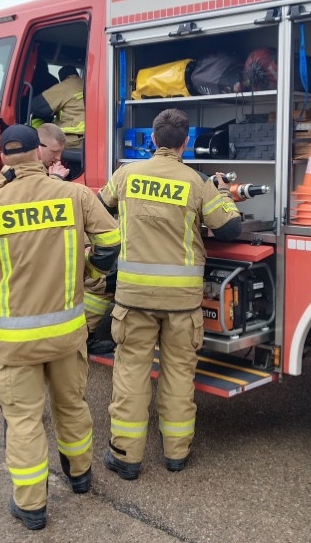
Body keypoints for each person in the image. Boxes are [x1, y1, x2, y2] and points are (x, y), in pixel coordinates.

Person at [0, 124, 119, 531]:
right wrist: (88, 271)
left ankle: (32, 506)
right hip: (67, 332)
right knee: (71, 405)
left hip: (14, 338)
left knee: (23, 420)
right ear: (40, 155)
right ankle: (80, 477)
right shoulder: (75, 196)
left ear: (4, 159)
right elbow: (111, 241)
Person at [98, 108, 242, 480]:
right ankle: (176, 454)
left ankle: (126, 457)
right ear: (186, 142)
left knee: (131, 374)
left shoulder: (126, 174)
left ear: (152, 140)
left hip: (134, 299)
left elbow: (101, 207)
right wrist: (223, 192)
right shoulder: (196, 182)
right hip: (182, 303)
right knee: (178, 374)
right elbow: (228, 228)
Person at [31, 64, 84, 149]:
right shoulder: (85, 84)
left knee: (39, 146)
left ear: (62, 78)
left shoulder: (67, 85)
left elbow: (38, 106)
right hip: (88, 137)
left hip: (72, 140)